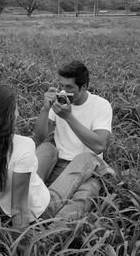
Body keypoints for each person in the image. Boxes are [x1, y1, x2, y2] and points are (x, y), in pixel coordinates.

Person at [0, 83, 108, 229]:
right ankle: (109, 176)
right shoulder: (24, 145)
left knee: (48, 147)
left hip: (5, 200)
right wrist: (20, 246)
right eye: (15, 109)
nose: (18, 113)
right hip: (41, 209)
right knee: (87, 158)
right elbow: (19, 209)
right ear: (8, 116)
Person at [34, 60, 114, 222]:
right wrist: (45, 109)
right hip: (58, 165)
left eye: (69, 87)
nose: (63, 91)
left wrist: (69, 117)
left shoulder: (100, 105)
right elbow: (40, 138)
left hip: (89, 171)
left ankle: (48, 231)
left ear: (83, 86)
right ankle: (28, 201)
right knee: (46, 147)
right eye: (61, 85)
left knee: (81, 199)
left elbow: (99, 145)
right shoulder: (59, 102)